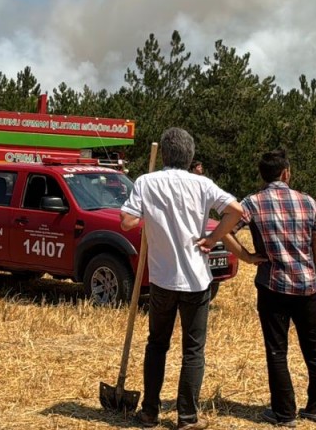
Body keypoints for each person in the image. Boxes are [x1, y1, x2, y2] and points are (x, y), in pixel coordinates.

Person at [120, 128, 243, 430]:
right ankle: (187, 417)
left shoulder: (147, 182)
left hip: (162, 279)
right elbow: (236, 211)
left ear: (163, 154)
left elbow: (126, 222)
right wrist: (213, 238)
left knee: (157, 345)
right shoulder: (202, 184)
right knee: (193, 351)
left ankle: (149, 412)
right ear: (190, 157)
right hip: (197, 281)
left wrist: (150, 215)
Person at [230, 150, 316, 426]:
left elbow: (225, 231)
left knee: (277, 349)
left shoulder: (251, 203)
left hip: (272, 285)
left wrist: (247, 256)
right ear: (286, 172)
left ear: (262, 175)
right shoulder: (308, 202)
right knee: (315, 347)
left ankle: (284, 412)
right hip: (306, 286)